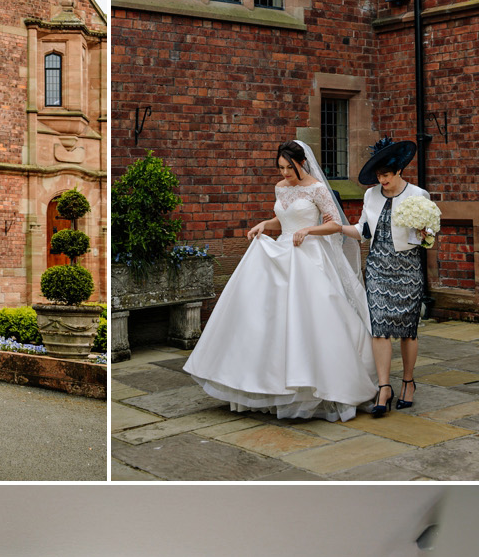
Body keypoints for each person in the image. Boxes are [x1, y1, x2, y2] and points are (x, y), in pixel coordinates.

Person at [183, 139, 377, 422]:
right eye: (281, 167)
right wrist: (265, 224)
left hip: (309, 255)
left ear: (301, 163)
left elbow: (334, 223)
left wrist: (309, 230)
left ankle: (319, 385)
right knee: (266, 318)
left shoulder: (317, 188)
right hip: (281, 253)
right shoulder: (280, 188)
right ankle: (266, 387)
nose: (284, 173)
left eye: (289, 167)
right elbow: (282, 219)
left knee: (311, 317)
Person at [340, 138, 430, 415]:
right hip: (378, 268)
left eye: (387, 175)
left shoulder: (419, 195)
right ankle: (383, 388)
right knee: (378, 328)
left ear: (398, 171)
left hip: (407, 269)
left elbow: (426, 238)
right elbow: (363, 231)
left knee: (407, 331)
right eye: (379, 176)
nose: (382, 181)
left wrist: (426, 235)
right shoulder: (371, 195)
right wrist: (337, 228)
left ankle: (408, 382)